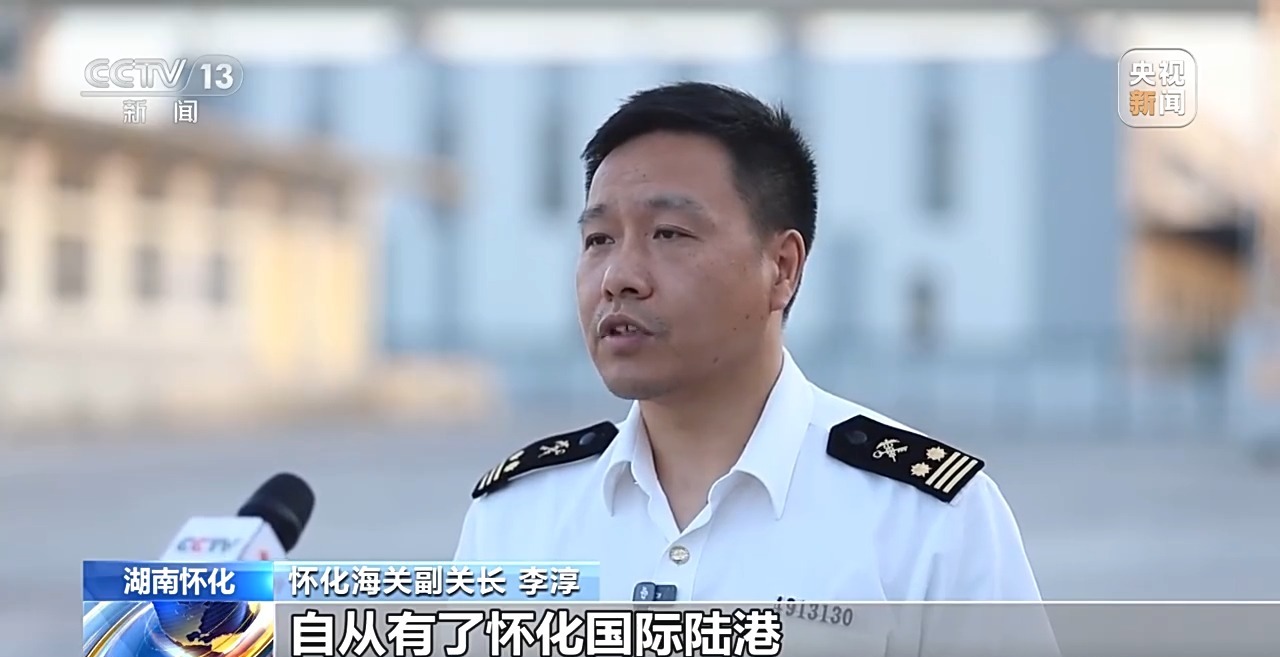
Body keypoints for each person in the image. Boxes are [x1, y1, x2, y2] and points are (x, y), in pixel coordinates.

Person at [453, 82, 1045, 605]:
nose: (618, 277)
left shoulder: (925, 522)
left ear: (782, 267)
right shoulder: (517, 517)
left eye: (669, 234)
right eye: (598, 239)